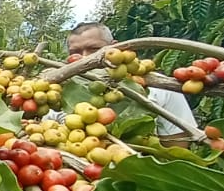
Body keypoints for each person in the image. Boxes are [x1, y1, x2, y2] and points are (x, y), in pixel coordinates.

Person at [64, 22, 199, 147]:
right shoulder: (62, 91)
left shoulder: (160, 88)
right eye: (75, 53)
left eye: (94, 49)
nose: (84, 58)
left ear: (116, 47)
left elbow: (177, 147)